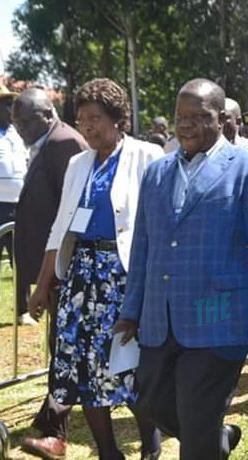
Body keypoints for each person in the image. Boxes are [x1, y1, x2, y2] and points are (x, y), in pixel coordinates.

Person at [115, 78, 248, 459]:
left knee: (195, 425)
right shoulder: (157, 173)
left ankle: (207, 439)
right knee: (149, 404)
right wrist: (131, 310)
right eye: (181, 117)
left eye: (199, 116)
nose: (186, 125)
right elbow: (143, 246)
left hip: (218, 317)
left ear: (223, 119)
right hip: (160, 319)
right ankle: (217, 437)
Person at [26, 78, 164, 460]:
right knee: (81, 369)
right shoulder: (77, 164)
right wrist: (42, 286)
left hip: (123, 278)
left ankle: (150, 446)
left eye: (96, 118)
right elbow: (59, 229)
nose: (88, 126)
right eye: (82, 119)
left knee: (130, 367)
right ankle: (108, 452)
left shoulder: (147, 156)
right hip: (81, 279)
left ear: (119, 118)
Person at [11, 87, 88, 459]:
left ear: (47, 113)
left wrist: (53, 271)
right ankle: (51, 414)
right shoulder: (48, 141)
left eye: (26, 120)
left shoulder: (63, 143)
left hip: (64, 266)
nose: (21, 127)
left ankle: (56, 427)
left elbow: (70, 212)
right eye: (15, 121)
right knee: (61, 344)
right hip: (53, 266)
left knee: (65, 345)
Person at [0, 85, 27, 285]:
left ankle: (22, 309)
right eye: (7, 104)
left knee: (20, 258)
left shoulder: (18, 134)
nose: (11, 109)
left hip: (18, 204)